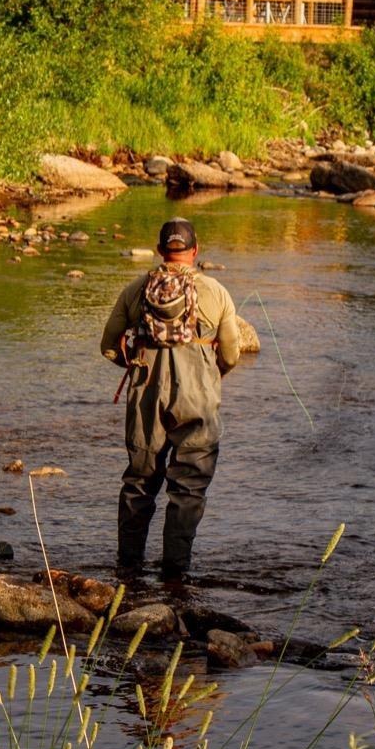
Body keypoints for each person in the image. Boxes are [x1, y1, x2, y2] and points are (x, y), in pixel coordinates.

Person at [100, 217, 241, 580]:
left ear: (161, 250)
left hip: (147, 392)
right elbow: (232, 353)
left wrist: (136, 365)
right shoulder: (217, 292)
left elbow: (108, 347)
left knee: (139, 481)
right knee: (189, 484)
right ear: (195, 251)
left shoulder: (136, 289)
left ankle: (128, 569)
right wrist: (212, 374)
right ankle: (175, 573)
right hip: (199, 395)